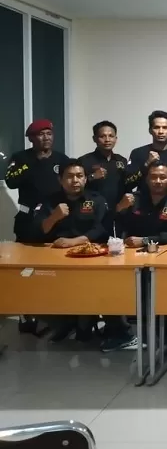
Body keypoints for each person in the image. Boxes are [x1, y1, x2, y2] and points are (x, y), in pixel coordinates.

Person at [107, 161, 167, 352]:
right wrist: (119, 208)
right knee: (108, 284)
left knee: (159, 287)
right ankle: (120, 332)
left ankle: (163, 330)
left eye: (163, 177)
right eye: (153, 177)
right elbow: (112, 224)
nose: (158, 181)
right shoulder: (133, 199)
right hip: (128, 258)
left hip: (163, 259)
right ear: (146, 179)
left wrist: (145, 240)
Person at [32, 160, 109, 342]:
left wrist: (74, 242)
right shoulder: (49, 201)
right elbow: (37, 230)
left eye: (79, 176)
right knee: (35, 287)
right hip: (55, 259)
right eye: (70, 176)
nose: (75, 180)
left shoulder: (97, 200)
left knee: (89, 288)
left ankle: (83, 324)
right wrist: (54, 217)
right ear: (60, 180)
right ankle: (63, 324)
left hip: (89, 257)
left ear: (85, 179)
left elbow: (102, 229)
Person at [5, 119, 70, 334]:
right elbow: (11, 181)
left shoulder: (62, 159)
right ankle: (27, 314)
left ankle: (56, 314)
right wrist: (34, 161)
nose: (46, 138)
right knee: (27, 269)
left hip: (55, 219)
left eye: (49, 133)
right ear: (32, 138)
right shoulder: (21, 158)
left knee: (54, 268)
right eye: (40, 134)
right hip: (28, 220)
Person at [125, 110, 167, 199]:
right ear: (150, 130)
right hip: (143, 205)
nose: (161, 131)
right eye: (157, 127)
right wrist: (146, 164)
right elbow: (128, 183)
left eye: (165, 127)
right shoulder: (138, 153)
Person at [78, 121, 128, 228]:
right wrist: (92, 177)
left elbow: (127, 185)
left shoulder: (122, 161)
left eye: (111, 136)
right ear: (94, 139)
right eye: (102, 136)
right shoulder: (84, 161)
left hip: (118, 212)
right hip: (92, 212)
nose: (107, 140)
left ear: (116, 139)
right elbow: (75, 187)